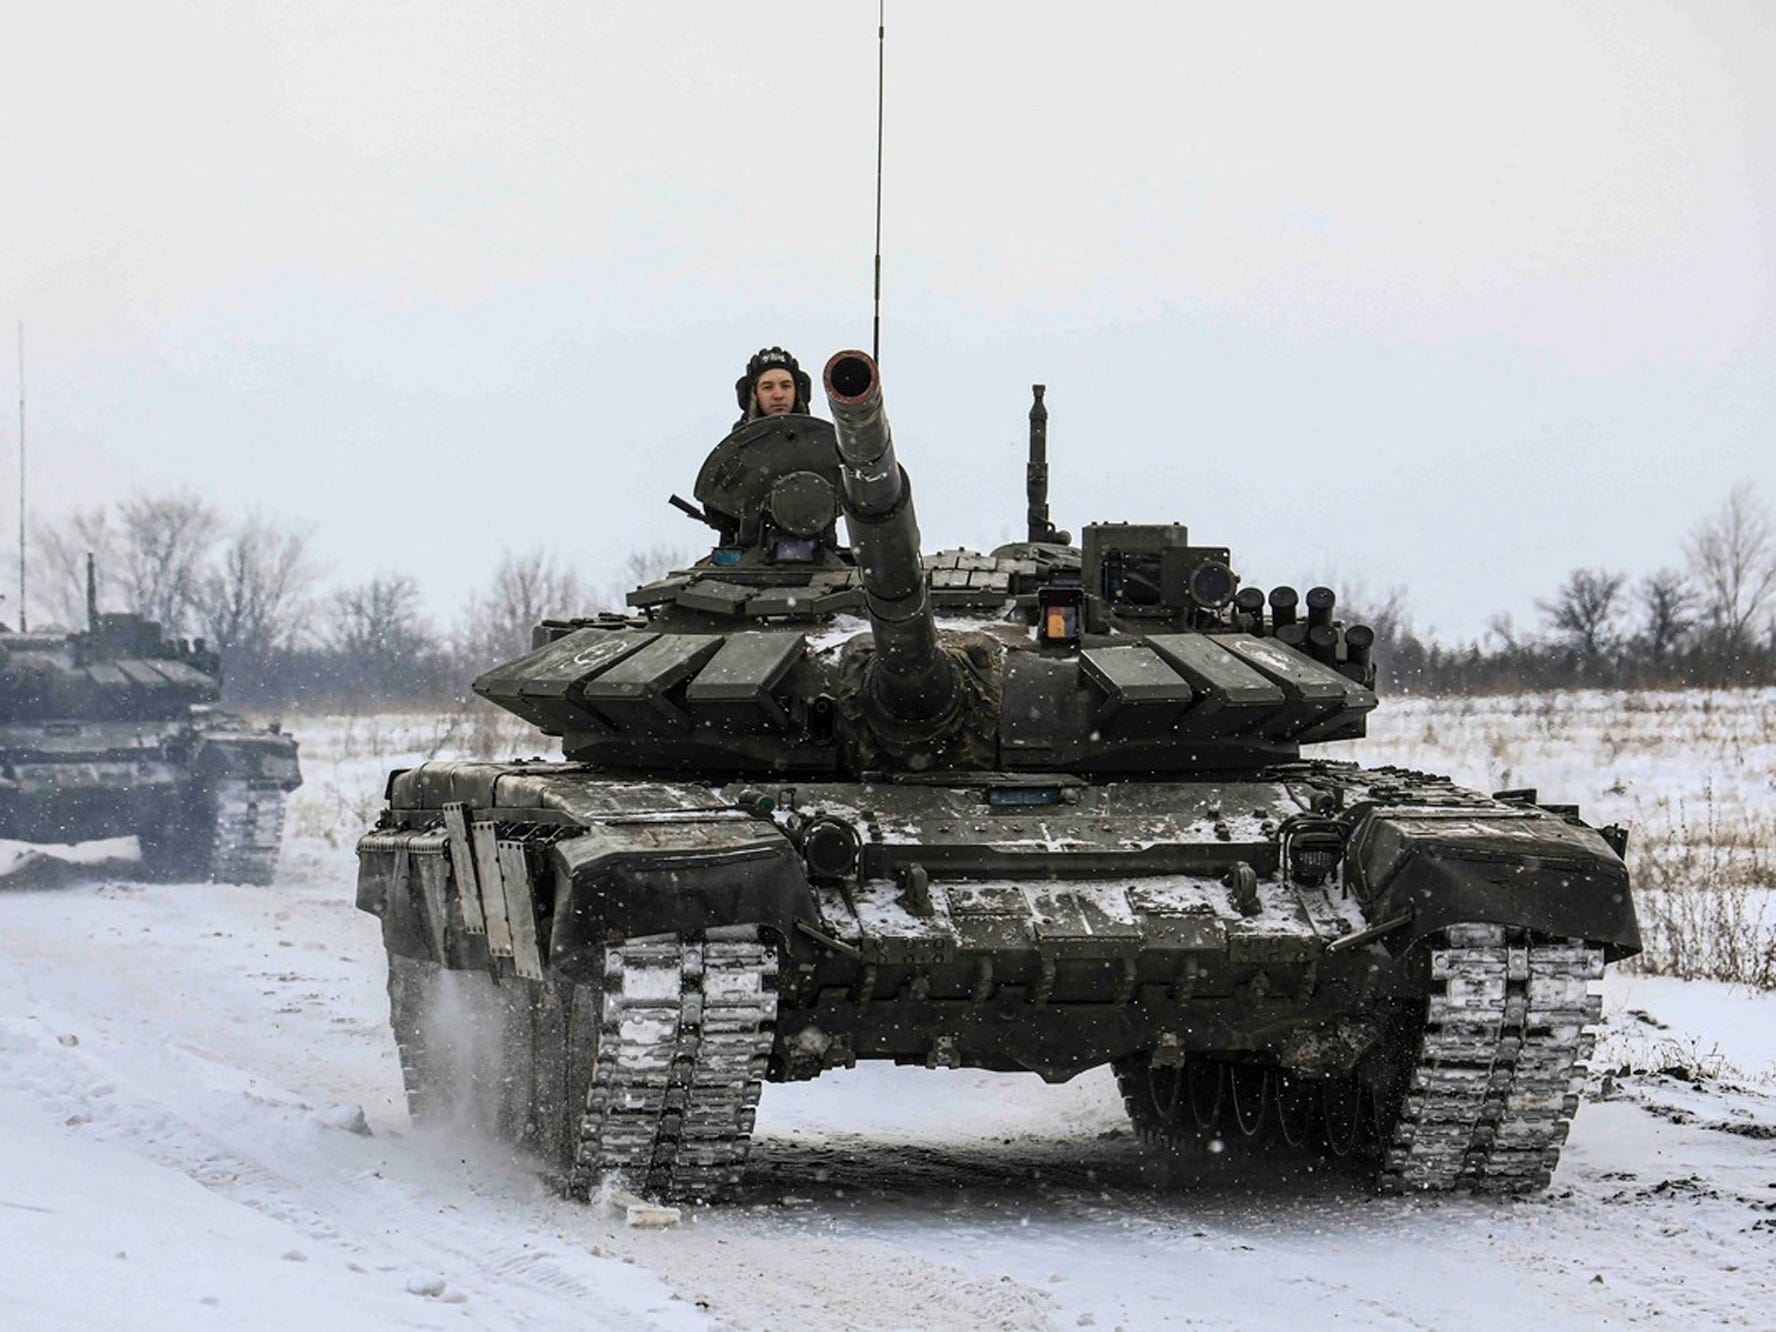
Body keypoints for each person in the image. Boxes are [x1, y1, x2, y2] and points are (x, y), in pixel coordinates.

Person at [733, 346, 812, 428]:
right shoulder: (738, 440)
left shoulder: (821, 437)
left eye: (786, 386)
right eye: (767, 387)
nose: (778, 395)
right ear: (754, 394)